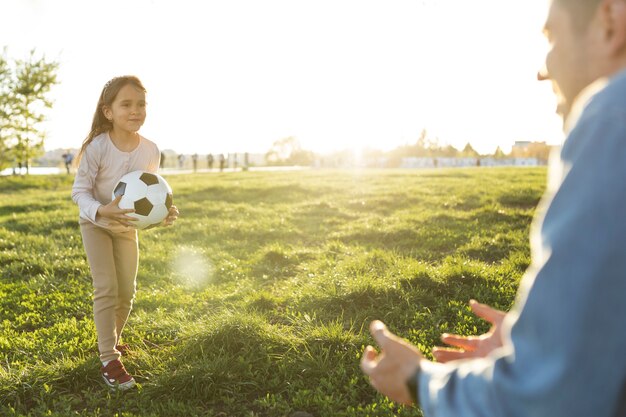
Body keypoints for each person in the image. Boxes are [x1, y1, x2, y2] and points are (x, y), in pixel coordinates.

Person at [360, 0, 626, 416]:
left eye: (552, 38)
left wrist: (420, 380)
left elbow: (548, 400)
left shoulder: (612, 120)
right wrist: (550, 333)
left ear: (611, 19)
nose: (543, 70)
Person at [71, 75, 179, 391]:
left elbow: (148, 197)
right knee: (106, 286)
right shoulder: (97, 147)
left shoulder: (151, 150)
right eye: (126, 104)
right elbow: (79, 192)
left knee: (126, 292)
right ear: (108, 112)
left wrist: (162, 215)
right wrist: (102, 210)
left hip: (125, 229)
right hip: (96, 224)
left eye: (141, 104)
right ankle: (108, 359)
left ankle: (111, 341)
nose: (135, 111)